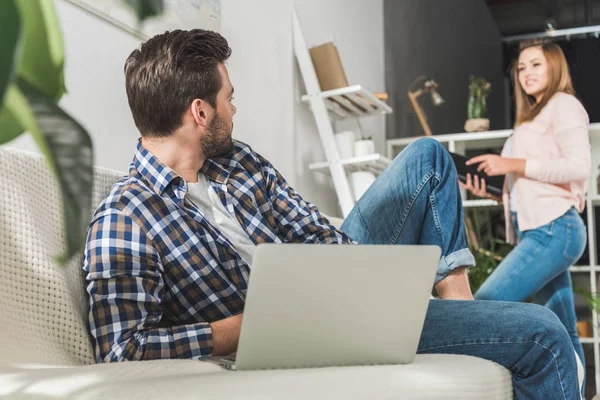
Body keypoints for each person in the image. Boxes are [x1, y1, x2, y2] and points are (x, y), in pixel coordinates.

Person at [83, 30, 582, 399]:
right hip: (295, 335)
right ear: (200, 112)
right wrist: (253, 324)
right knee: (545, 334)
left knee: (428, 158)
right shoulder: (124, 218)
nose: (235, 109)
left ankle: (458, 305)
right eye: (228, 98)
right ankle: (456, 321)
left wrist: (364, 280)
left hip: (334, 296)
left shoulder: (237, 160)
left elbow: (313, 230)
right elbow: (123, 352)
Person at [461, 39, 590, 370]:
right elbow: (525, 188)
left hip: (554, 228)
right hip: (540, 229)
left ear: (554, 66)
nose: (526, 73)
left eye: (536, 64)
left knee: (486, 304)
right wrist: (491, 191)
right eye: (520, 67)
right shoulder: (529, 121)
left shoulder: (563, 104)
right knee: (562, 328)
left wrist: (512, 165)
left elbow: (579, 167)